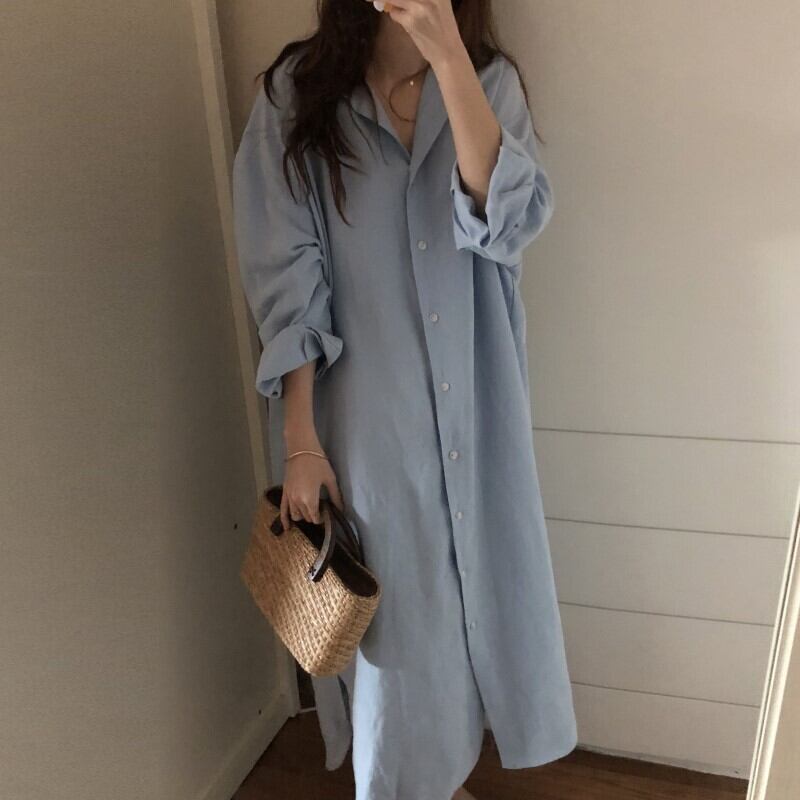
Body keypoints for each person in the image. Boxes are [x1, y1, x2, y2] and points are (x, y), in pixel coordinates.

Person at [231, 1, 577, 798]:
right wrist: (300, 442)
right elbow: (288, 283)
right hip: (367, 432)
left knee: (476, 616)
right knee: (399, 648)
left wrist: (448, 55)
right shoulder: (296, 95)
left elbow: (507, 223)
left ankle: (441, 783)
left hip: (477, 419)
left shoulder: (487, 83)